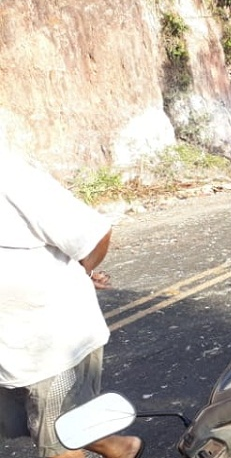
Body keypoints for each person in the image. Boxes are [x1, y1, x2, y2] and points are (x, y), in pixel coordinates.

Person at [0, 154, 144, 458]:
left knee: (58, 440)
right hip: (7, 349)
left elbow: (93, 233)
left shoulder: (11, 176)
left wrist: (82, 271)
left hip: (48, 344)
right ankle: (120, 448)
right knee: (33, 423)